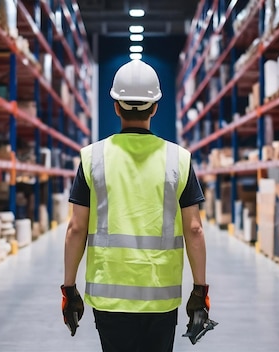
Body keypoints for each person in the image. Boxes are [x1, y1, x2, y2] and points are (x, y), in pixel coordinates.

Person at [61, 59, 212, 352]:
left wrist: (69, 288)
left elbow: (76, 228)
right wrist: (199, 289)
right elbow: (194, 229)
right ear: (155, 107)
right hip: (161, 298)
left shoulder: (93, 158)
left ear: (116, 106)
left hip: (110, 297)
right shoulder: (178, 159)